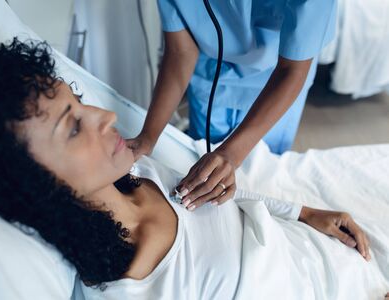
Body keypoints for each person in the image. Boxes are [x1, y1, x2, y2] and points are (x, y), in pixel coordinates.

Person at [0, 39, 387, 299]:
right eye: (73, 127)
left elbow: (229, 202)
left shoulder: (140, 172)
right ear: (34, 186)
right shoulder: (132, 289)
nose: (105, 116)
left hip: (330, 251)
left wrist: (305, 214)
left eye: (78, 100)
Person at [127, 0, 337, 212]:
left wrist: (231, 154)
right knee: (204, 164)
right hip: (212, 70)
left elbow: (292, 70)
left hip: (277, 80)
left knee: (264, 177)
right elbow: (180, 51)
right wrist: (148, 136)